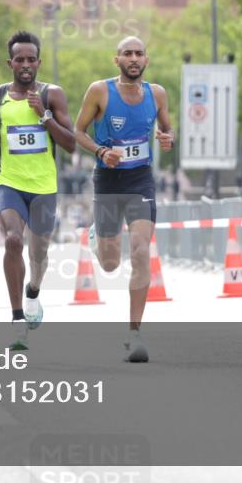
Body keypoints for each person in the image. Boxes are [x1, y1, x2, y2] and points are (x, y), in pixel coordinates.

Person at [0, 30, 76, 349]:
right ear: (10, 63)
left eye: (31, 59)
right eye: (20, 60)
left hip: (44, 186)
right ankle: (17, 318)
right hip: (10, 184)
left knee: (39, 253)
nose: (26, 64)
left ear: (39, 62)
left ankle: (33, 291)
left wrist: (43, 117)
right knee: (14, 241)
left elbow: (71, 144)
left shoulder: (51, 95)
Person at [74, 36, 174, 363]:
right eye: (127, 53)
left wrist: (166, 137)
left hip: (139, 179)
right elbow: (78, 131)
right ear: (116, 59)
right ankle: (96, 236)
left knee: (142, 251)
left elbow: (166, 129)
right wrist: (102, 150)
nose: (133, 58)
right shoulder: (100, 91)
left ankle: (134, 333)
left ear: (146, 59)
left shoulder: (157, 94)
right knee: (109, 263)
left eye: (139, 53)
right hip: (108, 178)